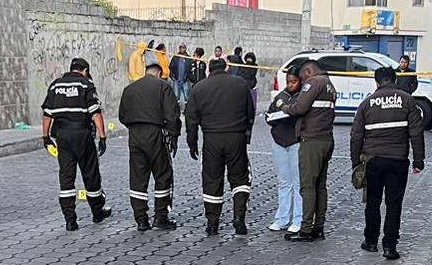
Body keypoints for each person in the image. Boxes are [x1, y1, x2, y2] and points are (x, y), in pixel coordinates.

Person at [350, 67, 425, 260]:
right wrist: (418, 160)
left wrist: (355, 161)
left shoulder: (366, 103)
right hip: (398, 160)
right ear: (395, 79)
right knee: (394, 204)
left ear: (376, 82)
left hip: (373, 160)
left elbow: (356, 136)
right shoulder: (407, 100)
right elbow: (416, 133)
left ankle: (371, 241)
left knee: (373, 202)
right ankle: (390, 246)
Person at [185, 58, 256, 235]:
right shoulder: (240, 84)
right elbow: (250, 112)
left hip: (211, 140)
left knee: (211, 180)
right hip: (236, 137)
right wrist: (246, 136)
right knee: (240, 178)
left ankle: (212, 223)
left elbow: (191, 120)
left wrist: (192, 143)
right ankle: (239, 218)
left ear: (208, 70)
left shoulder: (199, 88)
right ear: (226, 68)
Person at [42, 58, 112, 231]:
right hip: (82, 134)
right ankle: (97, 212)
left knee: (66, 177)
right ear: (85, 70)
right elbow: (95, 112)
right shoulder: (85, 84)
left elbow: (47, 114)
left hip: (62, 136)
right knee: (90, 173)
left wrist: (45, 137)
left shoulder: (55, 85)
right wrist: (102, 136)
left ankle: (70, 220)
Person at [118, 62, 182, 231]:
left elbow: (122, 116)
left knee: (138, 178)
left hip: (135, 135)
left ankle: (141, 219)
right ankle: (160, 217)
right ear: (159, 73)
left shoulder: (129, 89)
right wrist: (173, 136)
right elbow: (172, 115)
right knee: (163, 175)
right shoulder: (163, 87)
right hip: (156, 134)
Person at [279, 60, 337, 242]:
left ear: (308, 70)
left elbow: (299, 108)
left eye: (302, 77)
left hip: (312, 141)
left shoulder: (314, 82)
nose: (302, 81)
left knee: (308, 186)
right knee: (320, 186)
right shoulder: (329, 84)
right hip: (326, 139)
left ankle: (305, 229)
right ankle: (319, 227)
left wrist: (283, 106)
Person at [265, 67, 303, 233]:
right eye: (288, 82)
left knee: (298, 182)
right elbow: (269, 115)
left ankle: (298, 219)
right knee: (283, 182)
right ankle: (282, 218)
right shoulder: (281, 96)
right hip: (279, 141)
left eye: (294, 82)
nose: (290, 85)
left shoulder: (303, 97)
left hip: (296, 141)